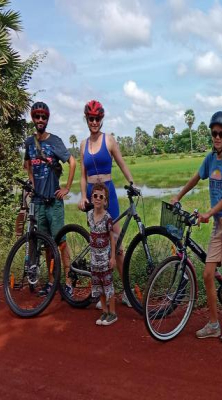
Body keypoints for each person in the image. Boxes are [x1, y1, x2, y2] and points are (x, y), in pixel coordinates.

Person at [171, 111, 222, 343]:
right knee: (208, 273)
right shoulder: (210, 159)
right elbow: (195, 178)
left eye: (221, 134)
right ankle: (213, 323)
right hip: (217, 223)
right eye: (214, 134)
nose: (217, 137)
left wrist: (209, 212)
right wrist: (178, 195)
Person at [78, 100, 135, 308]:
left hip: (108, 194)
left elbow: (121, 163)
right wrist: (83, 196)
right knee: (98, 246)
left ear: (102, 120)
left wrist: (132, 183)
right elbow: (83, 176)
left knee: (117, 246)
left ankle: (127, 291)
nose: (94, 122)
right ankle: (104, 294)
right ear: (87, 119)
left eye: (97, 118)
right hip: (93, 198)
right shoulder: (83, 145)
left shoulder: (108, 140)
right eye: (91, 118)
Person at [24, 101, 77, 296]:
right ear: (32, 118)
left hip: (54, 202)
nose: (40, 120)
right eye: (37, 116)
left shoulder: (55, 141)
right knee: (47, 244)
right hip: (38, 203)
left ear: (47, 119)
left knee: (60, 242)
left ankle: (69, 282)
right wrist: (32, 184)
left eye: (43, 117)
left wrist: (67, 188)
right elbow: (27, 165)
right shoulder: (30, 143)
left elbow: (72, 162)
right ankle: (52, 283)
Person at [88, 183, 118, 326]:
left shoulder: (108, 218)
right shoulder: (89, 215)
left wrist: (112, 257)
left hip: (105, 260)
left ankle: (112, 313)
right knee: (98, 286)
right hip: (94, 260)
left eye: (101, 197)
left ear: (105, 201)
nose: (98, 199)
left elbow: (112, 238)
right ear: (91, 198)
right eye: (95, 196)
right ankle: (104, 311)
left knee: (108, 286)